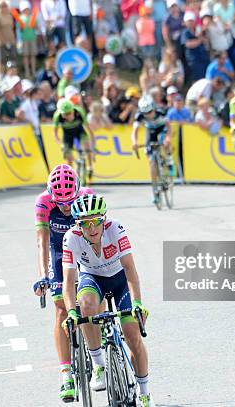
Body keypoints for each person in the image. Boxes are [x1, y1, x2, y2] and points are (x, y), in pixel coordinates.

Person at [61, 194, 153, 407]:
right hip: (93, 279)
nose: (92, 228)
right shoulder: (71, 238)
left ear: (104, 219)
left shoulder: (116, 228)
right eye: (85, 224)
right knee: (86, 305)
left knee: (133, 336)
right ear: (78, 225)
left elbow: (130, 268)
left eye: (96, 222)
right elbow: (68, 282)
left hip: (120, 279)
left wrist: (137, 303)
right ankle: (98, 364)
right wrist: (71, 313)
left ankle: (144, 392)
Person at [33, 165, 93, 403]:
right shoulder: (43, 202)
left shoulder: (87, 196)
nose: (66, 207)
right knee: (60, 309)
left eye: (70, 202)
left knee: (92, 299)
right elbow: (42, 242)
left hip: (84, 249)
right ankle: (66, 374)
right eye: (61, 202)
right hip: (59, 253)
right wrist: (42, 276)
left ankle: (101, 344)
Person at [131, 95, 174, 203]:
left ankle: (169, 160)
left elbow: (169, 127)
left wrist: (168, 138)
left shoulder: (161, 112)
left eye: (150, 112)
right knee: (151, 161)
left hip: (162, 129)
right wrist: (134, 142)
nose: (148, 115)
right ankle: (155, 189)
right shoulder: (139, 116)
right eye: (145, 113)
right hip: (150, 131)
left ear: (153, 108)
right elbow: (134, 132)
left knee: (165, 142)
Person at [53, 99, 95, 178]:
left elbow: (88, 128)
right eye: (65, 114)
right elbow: (55, 134)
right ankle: (71, 176)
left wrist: (92, 141)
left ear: (73, 111)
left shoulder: (79, 111)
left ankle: (90, 167)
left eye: (69, 113)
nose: (67, 116)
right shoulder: (57, 116)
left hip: (79, 132)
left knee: (87, 147)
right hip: (67, 135)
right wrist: (61, 144)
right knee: (69, 157)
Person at [181, 11, 210, 82]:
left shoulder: (198, 30)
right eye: (189, 21)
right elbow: (188, 44)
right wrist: (199, 40)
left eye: (192, 21)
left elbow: (205, 41)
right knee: (197, 79)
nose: (191, 23)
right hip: (194, 60)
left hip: (203, 58)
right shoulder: (185, 32)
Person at [0, 0, 17, 80]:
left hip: (11, 40)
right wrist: (4, 41)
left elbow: (12, 28)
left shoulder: (9, 16)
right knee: (1, 59)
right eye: (1, 6)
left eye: (5, 6)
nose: (3, 8)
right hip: (0, 42)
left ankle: (11, 74)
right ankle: (0, 75)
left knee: (12, 58)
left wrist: (12, 40)